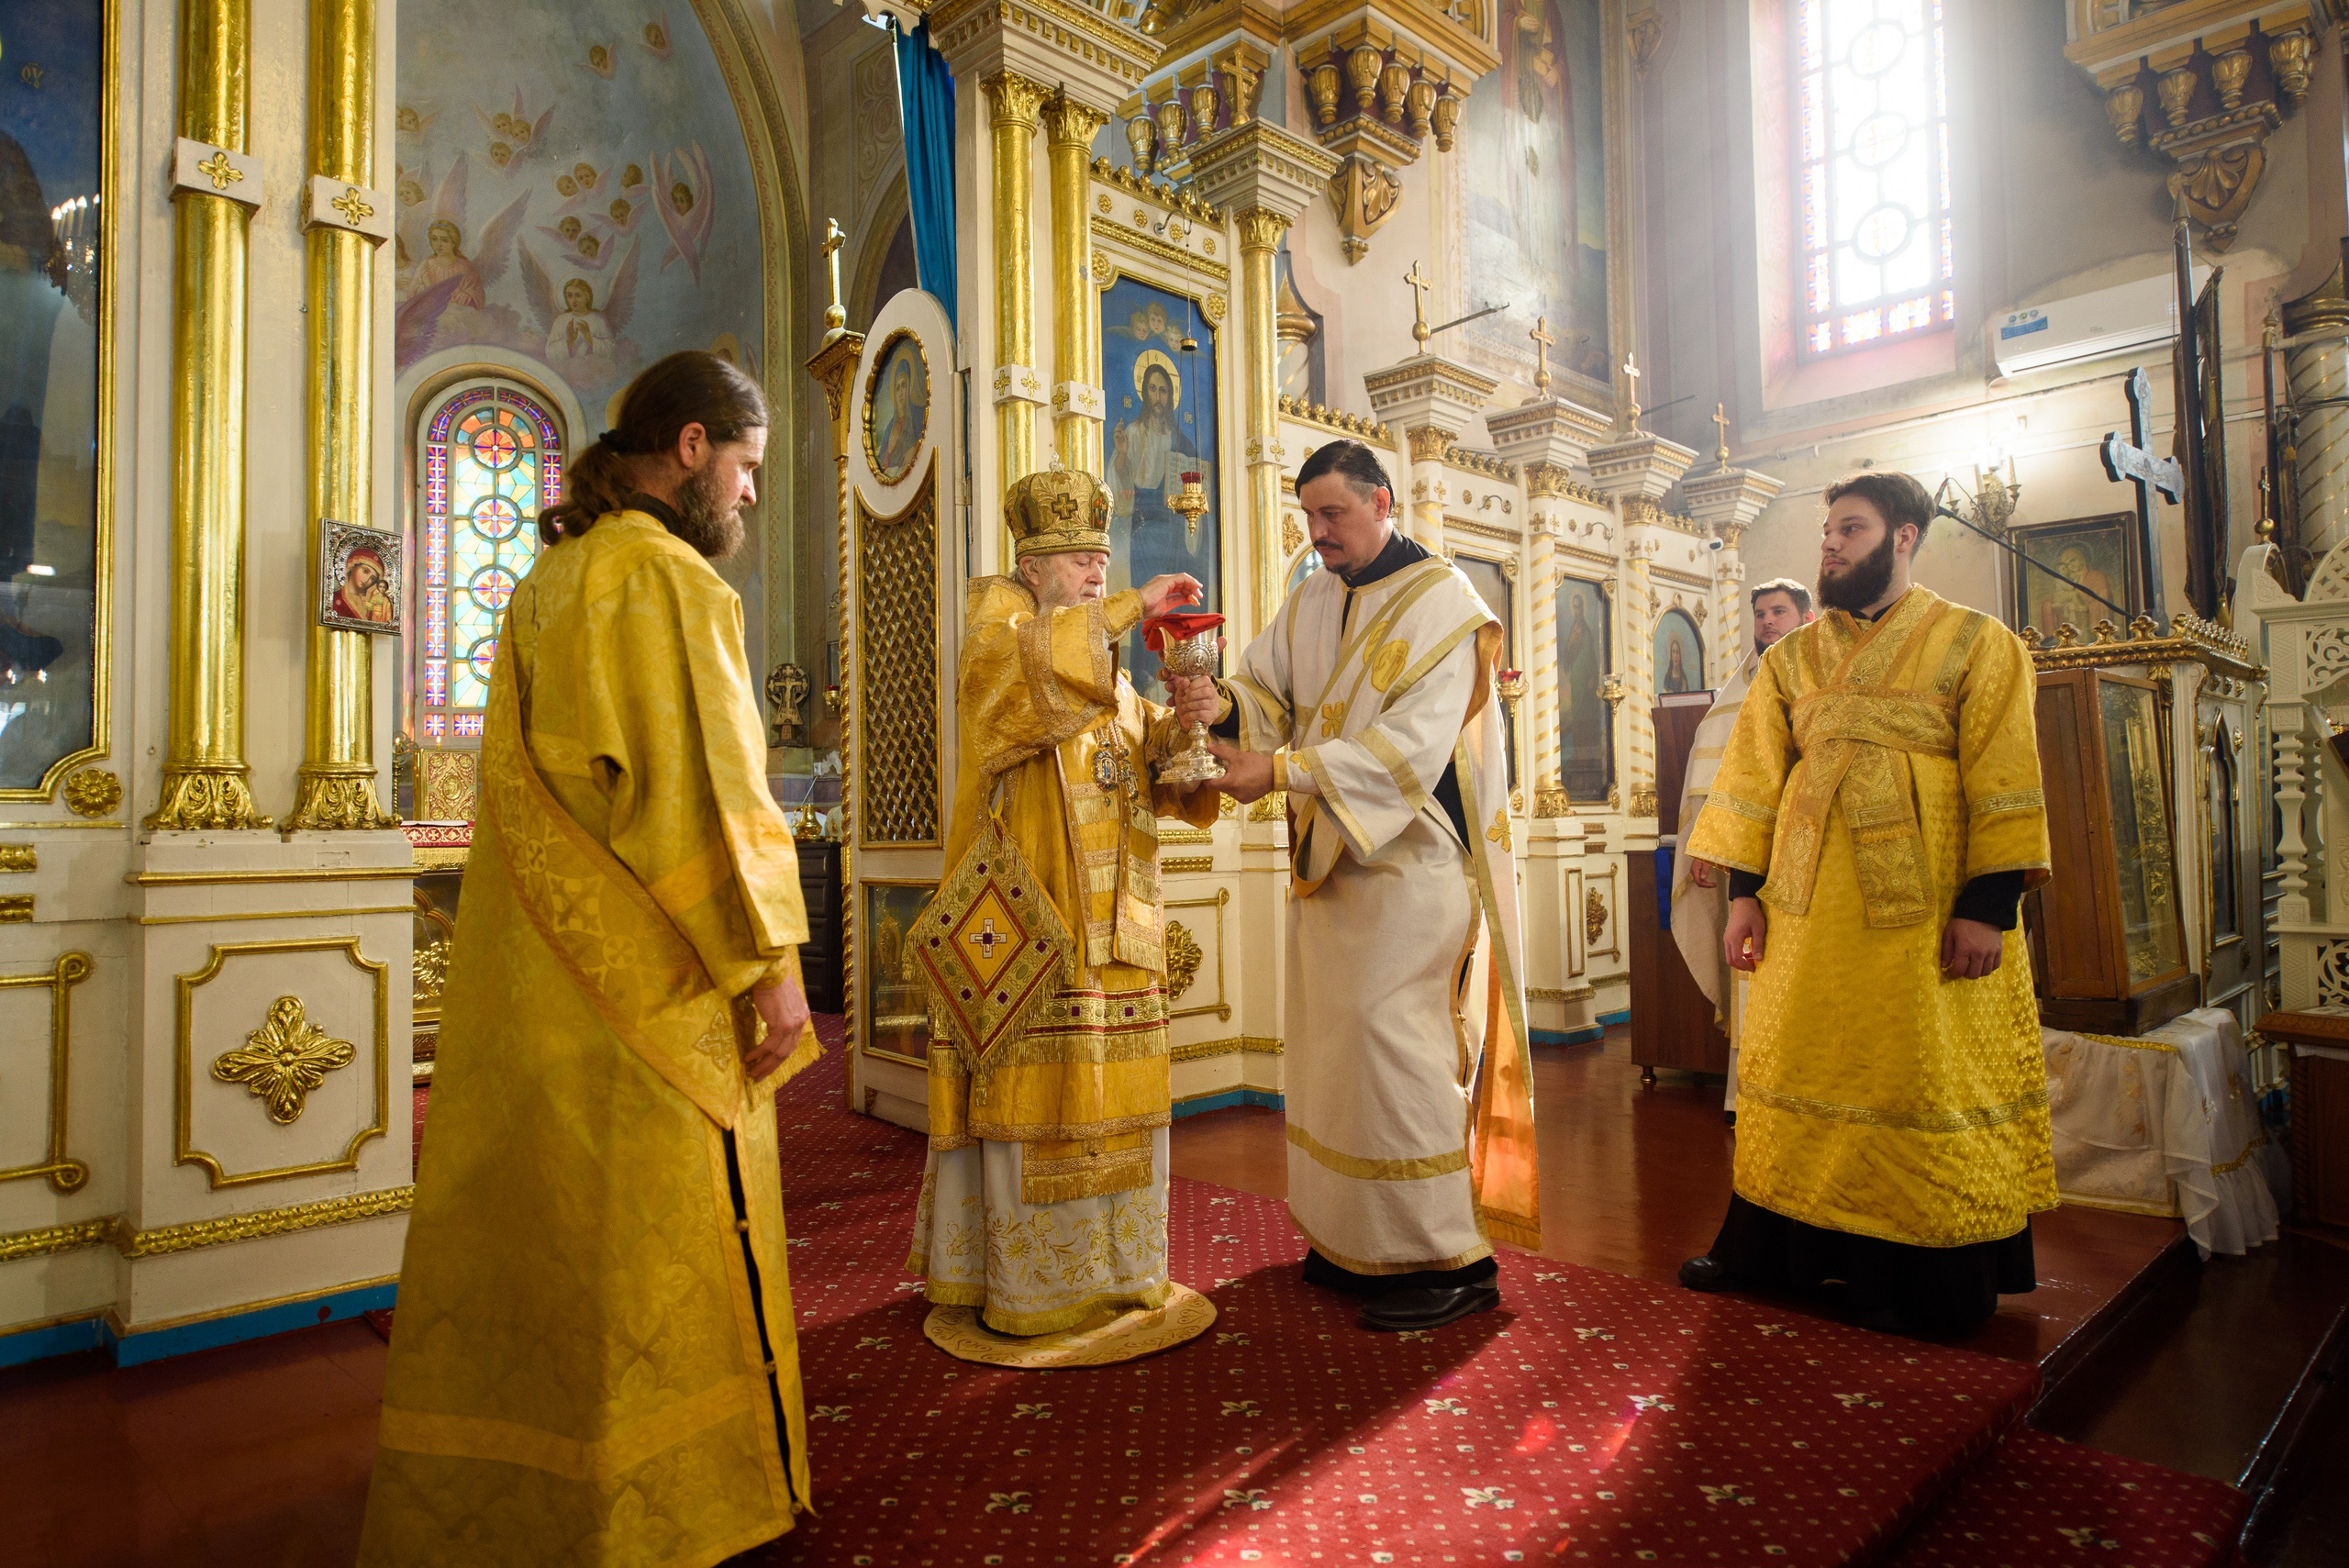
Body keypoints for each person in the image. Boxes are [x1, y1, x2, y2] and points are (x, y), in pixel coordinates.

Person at [360, 351, 819, 1565]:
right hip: (656, 983)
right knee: (659, 1241)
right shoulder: (670, 583)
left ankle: (550, 1507)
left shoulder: (552, 579)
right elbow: (709, 798)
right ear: (689, 448)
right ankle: (677, 1505)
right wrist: (768, 957)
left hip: (546, 979)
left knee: (560, 1241)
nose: (753, 494)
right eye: (749, 467)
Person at [1174, 439, 1539, 1333]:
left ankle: (1447, 1256)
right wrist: (1215, 704)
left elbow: (1408, 749)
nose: (1318, 531)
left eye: (1333, 512)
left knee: (1395, 1046)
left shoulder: (1445, 606)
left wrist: (1281, 769)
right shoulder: (1312, 597)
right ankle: (1353, 1238)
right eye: (1308, 515)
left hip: (1412, 860)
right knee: (1336, 1054)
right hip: (1335, 858)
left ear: (1381, 501)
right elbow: (1264, 689)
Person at [1679, 471, 2054, 1339]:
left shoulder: (1976, 640)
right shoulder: (1791, 658)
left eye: (1851, 529)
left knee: (1914, 1078)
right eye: (1827, 531)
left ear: (1906, 536)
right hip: (1803, 919)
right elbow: (1755, 783)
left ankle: (1916, 1278)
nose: (1832, 545)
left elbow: (2005, 777)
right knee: (1797, 1072)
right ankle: (1769, 1254)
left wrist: (1988, 906)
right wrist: (1744, 898)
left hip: (1925, 921)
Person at [907, 469, 1222, 1352]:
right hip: (1031, 926)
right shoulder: (997, 626)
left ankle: (1119, 1273)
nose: (1095, 571)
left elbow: (1142, 758)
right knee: (1036, 1095)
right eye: (1079, 560)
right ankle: (1027, 1284)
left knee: (1117, 1096)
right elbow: (1020, 699)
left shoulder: (1105, 663)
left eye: (1101, 558)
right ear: (1031, 563)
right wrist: (1128, 604)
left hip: (1118, 927)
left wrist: (1190, 724)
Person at [1671, 578, 1814, 1124]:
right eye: (1759, 613)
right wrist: (1712, 844)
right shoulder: (1745, 687)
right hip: (1754, 857)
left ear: (1806, 616)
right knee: (1754, 967)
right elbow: (1717, 776)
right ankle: (1751, 1095)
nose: (1767, 623)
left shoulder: (1825, 674)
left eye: (1778, 611)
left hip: (1813, 849)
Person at [330, 546, 396, 625]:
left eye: (372, 578)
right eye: (365, 571)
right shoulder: (335, 599)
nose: (367, 580)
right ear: (352, 566)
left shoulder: (371, 603)